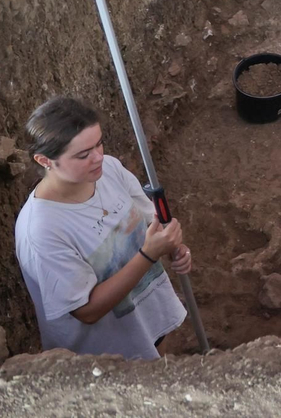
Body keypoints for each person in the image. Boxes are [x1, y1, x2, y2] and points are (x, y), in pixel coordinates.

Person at [14, 97, 192, 359]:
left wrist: (174, 244)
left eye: (98, 143)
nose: (98, 157)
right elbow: (87, 311)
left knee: (157, 358)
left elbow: (151, 222)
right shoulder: (42, 232)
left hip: (145, 318)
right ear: (45, 161)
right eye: (83, 154)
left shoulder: (108, 169)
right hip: (105, 356)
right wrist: (149, 255)